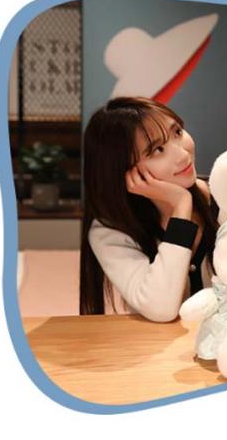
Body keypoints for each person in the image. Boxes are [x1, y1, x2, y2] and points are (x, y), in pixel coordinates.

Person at [79, 96, 218, 321]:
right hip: (159, 344)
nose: (183, 154)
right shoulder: (111, 230)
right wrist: (181, 206)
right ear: (124, 170)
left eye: (177, 132)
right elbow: (160, 308)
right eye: (157, 150)